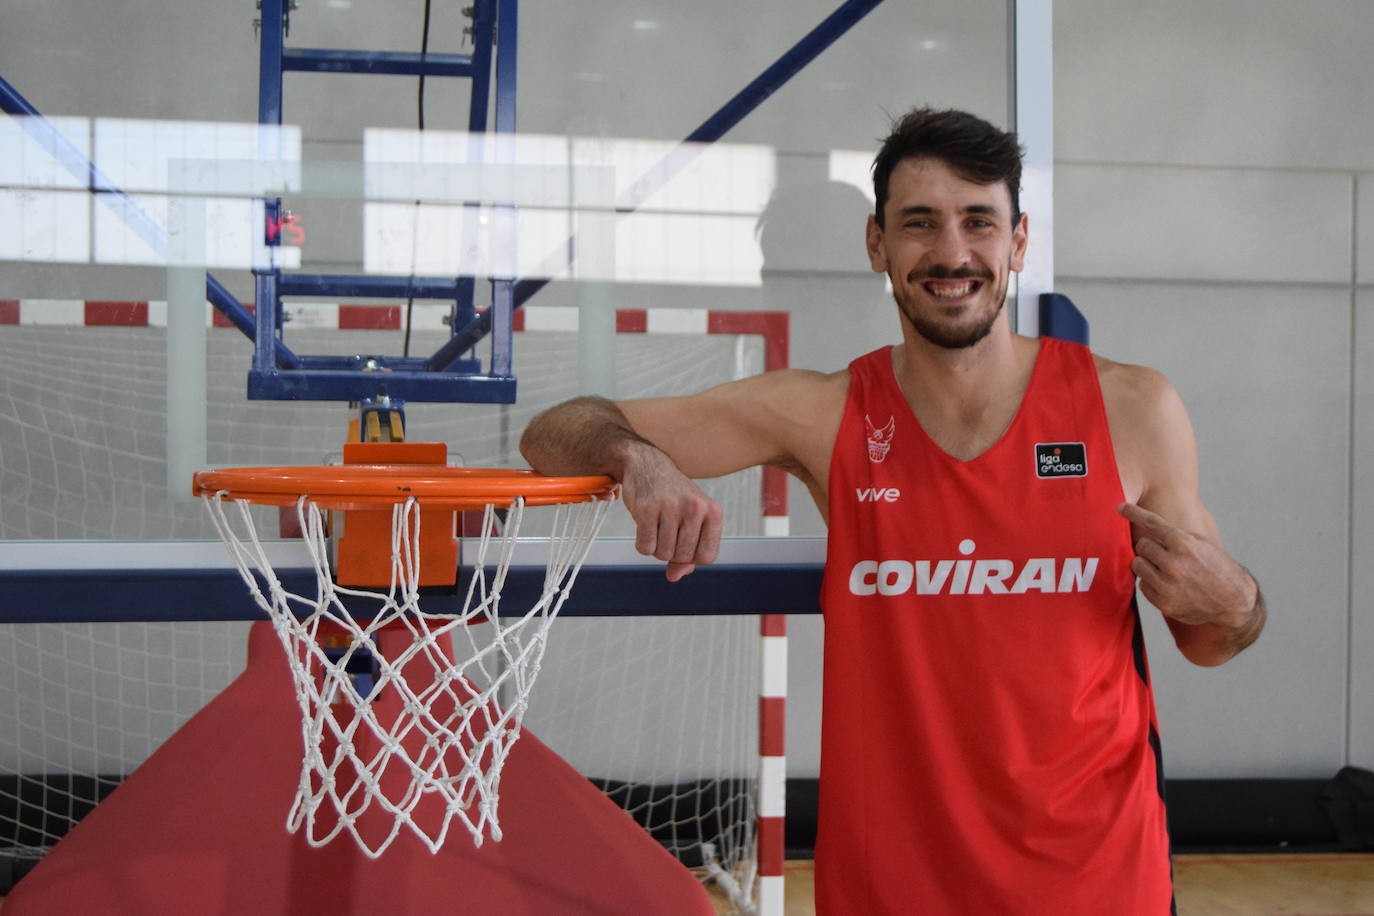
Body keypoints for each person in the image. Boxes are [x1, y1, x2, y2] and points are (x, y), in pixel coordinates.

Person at [519, 107, 1266, 915]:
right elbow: (552, 432)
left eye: (979, 222)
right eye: (921, 224)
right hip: (892, 884)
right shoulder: (821, 414)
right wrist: (640, 459)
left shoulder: (1132, 409)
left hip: (1096, 878)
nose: (952, 252)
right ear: (877, 244)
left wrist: (1241, 603)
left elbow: (1213, 640)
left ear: (1017, 242)